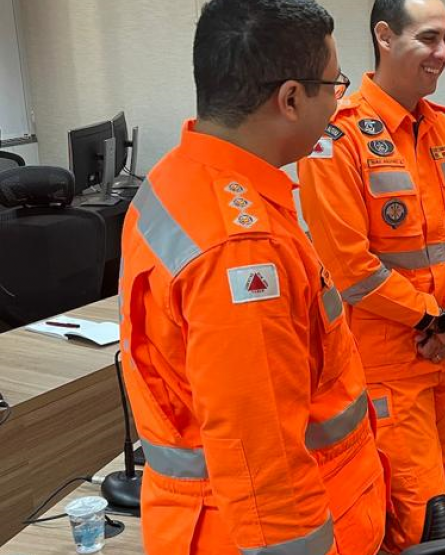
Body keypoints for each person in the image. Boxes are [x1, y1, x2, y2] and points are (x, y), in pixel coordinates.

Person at [118, 1, 387, 554]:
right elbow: (264, 468)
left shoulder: (177, 177)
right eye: (333, 83)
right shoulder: (243, 251)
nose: (340, 101)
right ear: (290, 98)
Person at [297, 0, 445, 551]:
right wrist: (436, 318)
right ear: (384, 35)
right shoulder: (338, 135)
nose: (443, 54)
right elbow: (351, 269)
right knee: (419, 513)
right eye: (428, 39)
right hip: (388, 366)